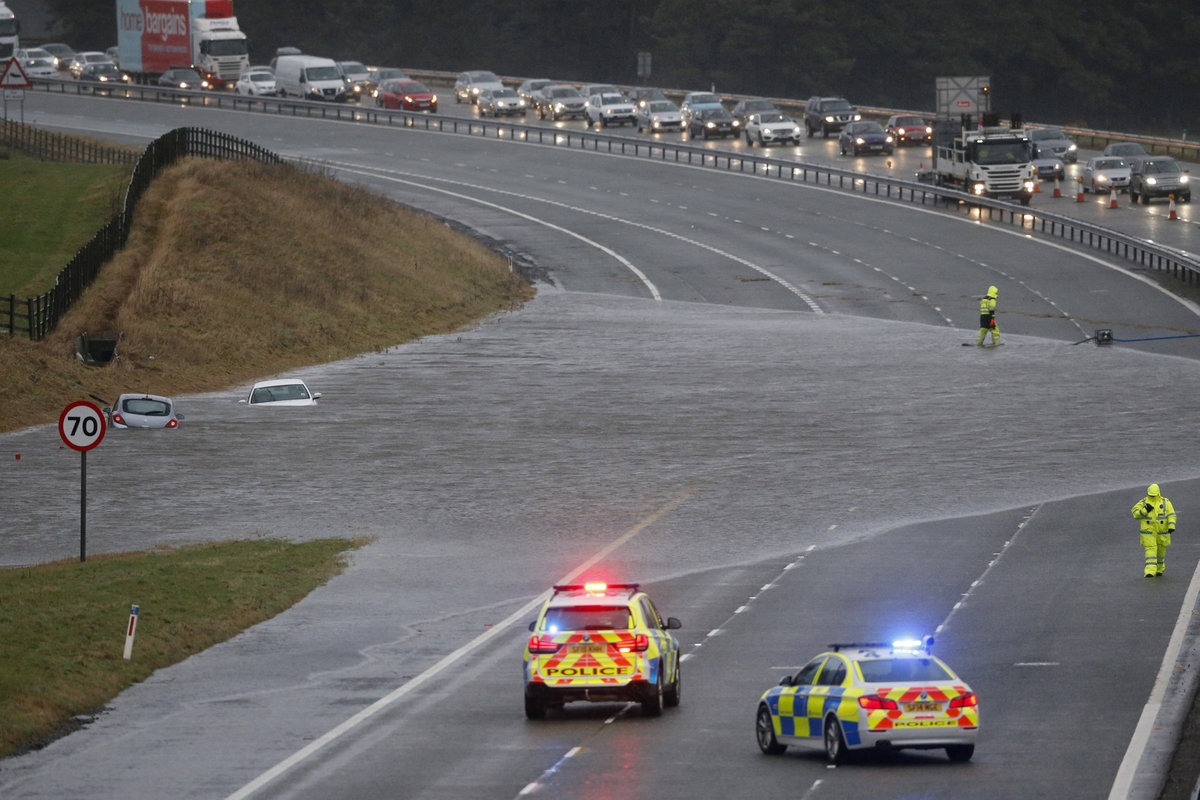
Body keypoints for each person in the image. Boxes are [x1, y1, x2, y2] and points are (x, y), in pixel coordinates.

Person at [1131, 483, 1176, 578]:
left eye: (1153, 495)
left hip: (1162, 533)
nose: (1152, 497)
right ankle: (1150, 571)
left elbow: (1171, 515)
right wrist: (1144, 510)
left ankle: (1159, 569)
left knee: (1161, 553)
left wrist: (1172, 526)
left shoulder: (1165, 502)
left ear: (1158, 493)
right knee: (1150, 552)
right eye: (1151, 495)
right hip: (1148, 533)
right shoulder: (1143, 503)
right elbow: (1135, 513)